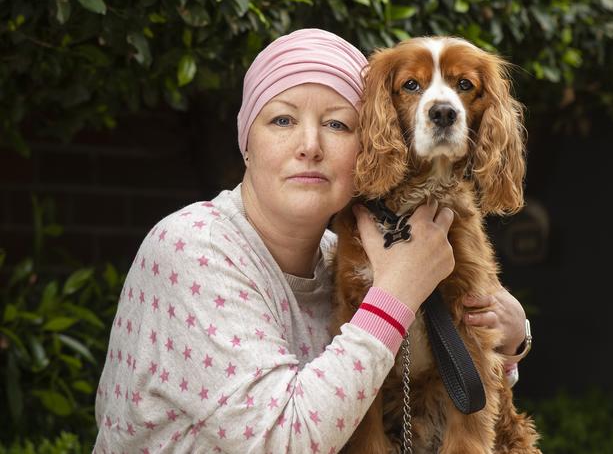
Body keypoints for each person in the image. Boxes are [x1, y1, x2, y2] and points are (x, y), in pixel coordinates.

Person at [94, 28, 529, 453]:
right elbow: (284, 441)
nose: (309, 146)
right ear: (246, 139)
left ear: (366, 144)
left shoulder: (333, 254)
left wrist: (511, 340)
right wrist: (397, 291)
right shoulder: (192, 248)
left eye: (337, 124)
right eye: (282, 119)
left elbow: (419, 381)